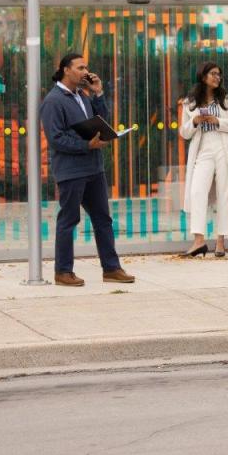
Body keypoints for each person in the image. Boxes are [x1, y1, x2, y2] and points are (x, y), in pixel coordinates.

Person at [40, 53, 135, 287]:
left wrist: (98, 93)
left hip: (94, 168)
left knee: (103, 219)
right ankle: (62, 271)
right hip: (71, 171)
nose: (85, 71)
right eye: (80, 67)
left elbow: (102, 120)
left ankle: (111, 268)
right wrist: (86, 145)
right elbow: (55, 139)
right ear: (65, 70)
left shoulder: (82, 95)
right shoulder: (53, 101)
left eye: (86, 67)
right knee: (69, 219)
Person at [179, 62, 228, 258]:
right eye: (213, 74)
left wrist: (218, 121)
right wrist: (195, 121)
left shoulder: (225, 100)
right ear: (203, 76)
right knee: (197, 191)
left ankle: (220, 242)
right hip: (203, 148)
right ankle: (199, 240)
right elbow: (184, 133)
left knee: (223, 192)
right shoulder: (190, 102)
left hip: (224, 147)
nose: (217, 77)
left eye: (219, 75)